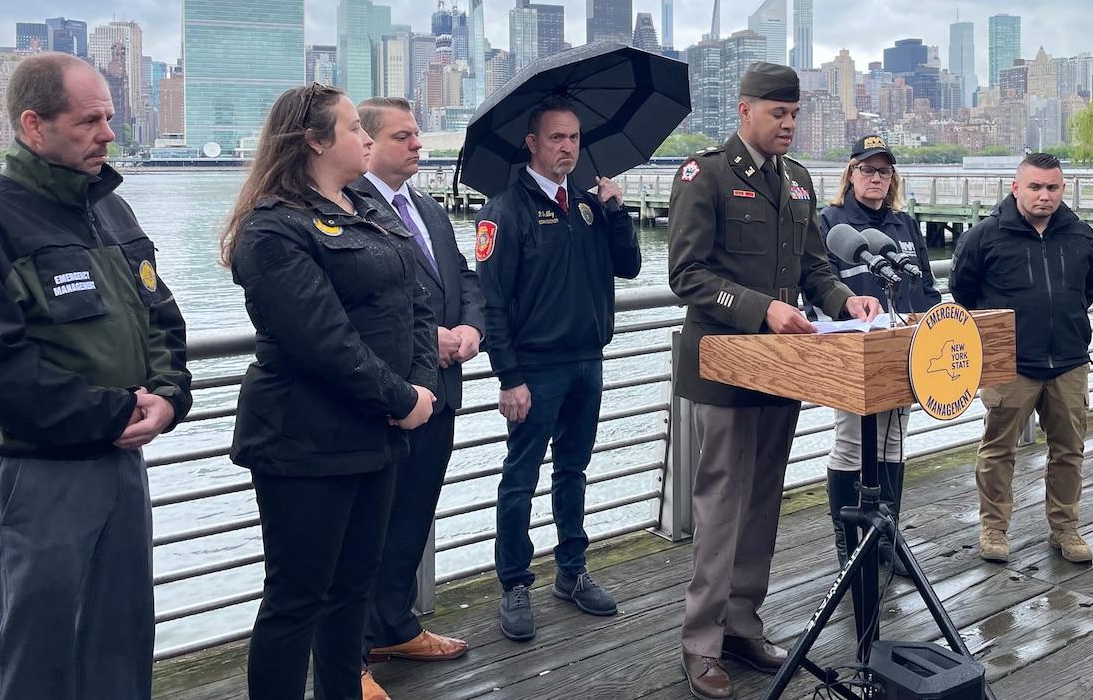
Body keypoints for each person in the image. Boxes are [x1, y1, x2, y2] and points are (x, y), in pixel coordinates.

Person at [0, 52, 192, 700]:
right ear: (34, 126)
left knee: (120, 652)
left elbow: (163, 322)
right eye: (90, 120)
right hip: (33, 480)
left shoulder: (112, 214)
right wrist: (114, 412)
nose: (109, 134)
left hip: (119, 469)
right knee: (34, 664)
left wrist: (169, 398)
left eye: (111, 117)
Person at [668, 62, 881, 700]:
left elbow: (815, 265)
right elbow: (687, 274)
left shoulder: (797, 181)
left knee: (763, 500)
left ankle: (742, 621)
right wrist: (762, 308)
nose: (789, 125)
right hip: (728, 362)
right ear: (744, 111)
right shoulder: (703, 175)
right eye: (777, 114)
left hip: (784, 365)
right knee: (721, 502)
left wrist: (845, 300)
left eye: (794, 114)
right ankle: (700, 643)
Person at [220, 83, 438, 700]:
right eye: (351, 128)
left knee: (352, 592)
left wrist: (419, 385)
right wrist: (401, 400)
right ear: (315, 141)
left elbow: (416, 303)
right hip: (305, 443)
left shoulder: (367, 213)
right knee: (297, 599)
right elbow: (324, 342)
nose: (366, 137)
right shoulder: (273, 230)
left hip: (375, 438)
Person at [475, 96, 642, 642]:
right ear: (533, 143)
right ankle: (515, 583)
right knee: (519, 478)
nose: (567, 147)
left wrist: (617, 211)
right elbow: (492, 301)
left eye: (573, 138)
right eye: (555, 138)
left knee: (574, 470)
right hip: (534, 368)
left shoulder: (592, 207)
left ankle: (571, 572)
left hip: (587, 360)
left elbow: (630, 266)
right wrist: (508, 377)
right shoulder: (504, 211)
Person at [354, 98, 483, 683]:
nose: (417, 146)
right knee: (366, 528)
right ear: (368, 143)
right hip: (391, 395)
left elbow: (465, 277)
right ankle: (350, 651)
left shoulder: (429, 209)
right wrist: (432, 338)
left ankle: (395, 627)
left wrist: (472, 329)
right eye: (403, 137)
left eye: (417, 136)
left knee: (413, 517)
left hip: (445, 390)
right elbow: (360, 306)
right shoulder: (350, 211)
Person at [949, 152, 1093, 566]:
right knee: (998, 450)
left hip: (1069, 361)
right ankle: (994, 529)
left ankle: (1065, 528)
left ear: (1063, 189)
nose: (1044, 195)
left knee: (1069, 450)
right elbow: (964, 293)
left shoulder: (1081, 236)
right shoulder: (985, 237)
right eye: (1035, 187)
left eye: (1052, 187)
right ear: (1016, 187)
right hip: (1009, 363)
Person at [818, 134, 941, 579]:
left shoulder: (904, 225)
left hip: (904, 351)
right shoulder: (830, 224)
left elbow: (926, 288)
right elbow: (817, 288)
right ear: (850, 174)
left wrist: (934, 328)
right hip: (853, 353)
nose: (875, 177)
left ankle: (885, 537)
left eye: (884, 171)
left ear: (893, 179)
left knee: (892, 442)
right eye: (867, 169)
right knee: (852, 445)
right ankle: (848, 543)